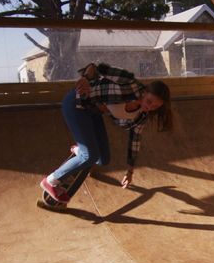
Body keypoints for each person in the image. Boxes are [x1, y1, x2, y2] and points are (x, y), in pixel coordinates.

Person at [40, 62, 172, 204]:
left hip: (93, 112)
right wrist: (85, 78)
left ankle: (81, 151)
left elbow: (135, 141)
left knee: (103, 159)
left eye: (155, 106)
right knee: (90, 156)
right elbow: (96, 67)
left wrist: (130, 171)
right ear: (145, 92)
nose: (149, 107)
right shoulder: (129, 83)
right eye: (149, 101)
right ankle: (51, 181)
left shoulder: (141, 117)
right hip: (76, 104)